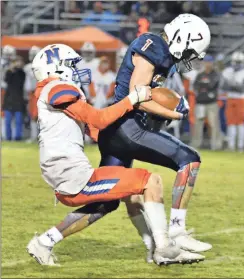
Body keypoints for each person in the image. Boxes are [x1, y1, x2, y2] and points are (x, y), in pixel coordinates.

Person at [26, 44, 203, 266]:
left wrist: (128, 136)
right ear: (57, 68)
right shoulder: (56, 88)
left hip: (66, 175)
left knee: (116, 200)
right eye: (71, 65)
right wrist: (131, 100)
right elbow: (98, 119)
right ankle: (164, 248)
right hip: (72, 176)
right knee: (151, 181)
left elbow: (97, 130)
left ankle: (44, 242)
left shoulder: (54, 92)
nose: (78, 70)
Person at [73, 14, 213, 263]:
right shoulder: (154, 46)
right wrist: (173, 113)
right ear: (182, 38)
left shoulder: (163, 53)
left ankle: (46, 240)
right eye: (191, 50)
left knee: (106, 202)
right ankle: (177, 231)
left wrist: (163, 115)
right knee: (189, 160)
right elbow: (137, 94)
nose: (189, 58)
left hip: (119, 129)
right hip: (126, 127)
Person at [191, 55, 222, 150]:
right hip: (200, 103)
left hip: (211, 103)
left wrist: (203, 86)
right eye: (205, 62)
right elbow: (195, 86)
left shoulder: (216, 74)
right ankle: (196, 145)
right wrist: (205, 86)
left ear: (212, 63)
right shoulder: (200, 74)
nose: (207, 64)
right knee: (197, 125)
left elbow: (211, 85)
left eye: (209, 62)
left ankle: (216, 146)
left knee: (214, 125)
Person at [221, 52, 244, 152]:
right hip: (230, 98)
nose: (237, 64)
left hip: (241, 99)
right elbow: (224, 87)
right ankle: (231, 145)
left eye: (239, 62)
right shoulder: (227, 71)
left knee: (240, 123)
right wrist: (235, 85)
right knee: (231, 123)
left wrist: (232, 85)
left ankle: (240, 146)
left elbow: (243, 89)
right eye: (236, 62)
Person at [3, 55, 26, 141]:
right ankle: (8, 137)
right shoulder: (9, 72)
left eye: (18, 62)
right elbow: (6, 80)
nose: (17, 63)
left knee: (18, 121)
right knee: (7, 121)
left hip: (18, 101)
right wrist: (11, 70)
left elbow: (20, 82)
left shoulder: (22, 73)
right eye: (15, 62)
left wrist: (16, 69)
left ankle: (17, 137)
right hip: (8, 100)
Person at [24, 46, 41, 143]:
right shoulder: (27, 67)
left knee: (41, 117)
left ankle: (40, 137)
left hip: (40, 93)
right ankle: (34, 136)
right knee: (32, 116)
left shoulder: (44, 67)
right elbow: (26, 83)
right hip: (31, 93)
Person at [1, 45, 16, 140]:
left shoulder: (12, 64)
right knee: (3, 114)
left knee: (9, 114)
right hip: (3, 90)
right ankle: (4, 135)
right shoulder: (3, 63)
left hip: (10, 91)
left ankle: (8, 135)